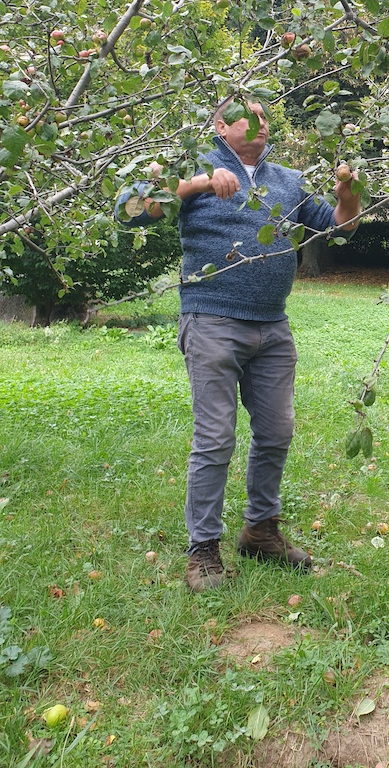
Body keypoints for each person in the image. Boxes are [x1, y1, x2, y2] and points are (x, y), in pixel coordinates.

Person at [117, 99, 361, 591]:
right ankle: (203, 551)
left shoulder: (288, 180)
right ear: (221, 126)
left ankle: (260, 531)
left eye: (267, 117)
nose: (263, 124)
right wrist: (203, 183)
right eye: (251, 116)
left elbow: (340, 225)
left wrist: (348, 194)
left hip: (272, 326)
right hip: (212, 321)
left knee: (276, 431)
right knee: (215, 438)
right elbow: (132, 209)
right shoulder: (196, 166)